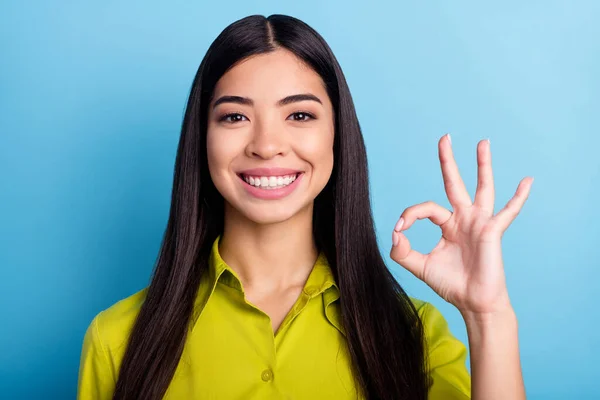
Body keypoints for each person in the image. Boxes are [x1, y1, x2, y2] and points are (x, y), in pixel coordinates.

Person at [77, 14, 532, 400]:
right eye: (235, 116)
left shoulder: (415, 336)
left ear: (337, 134)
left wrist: (488, 316)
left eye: (299, 115)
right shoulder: (118, 339)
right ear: (202, 138)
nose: (267, 145)